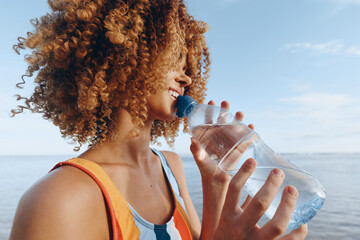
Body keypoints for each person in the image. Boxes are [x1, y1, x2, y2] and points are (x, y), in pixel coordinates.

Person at [9, 0, 308, 239]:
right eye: (172, 59)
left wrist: (215, 182)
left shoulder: (171, 166)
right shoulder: (58, 199)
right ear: (122, 56)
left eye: (187, 64)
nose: (187, 77)